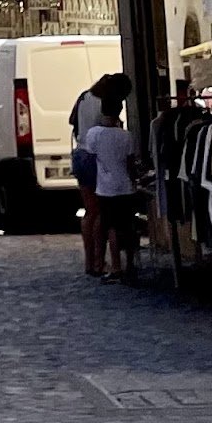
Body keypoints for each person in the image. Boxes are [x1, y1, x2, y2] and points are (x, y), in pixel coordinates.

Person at [80, 75, 142, 281]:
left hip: (105, 188)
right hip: (125, 186)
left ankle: (108, 264)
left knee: (109, 226)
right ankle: (130, 264)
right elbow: (130, 162)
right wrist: (135, 179)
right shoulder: (125, 136)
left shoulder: (94, 134)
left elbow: (90, 155)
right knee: (128, 226)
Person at [70, 72, 110, 278]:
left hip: (79, 154)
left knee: (89, 211)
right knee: (100, 212)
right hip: (94, 156)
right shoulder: (104, 102)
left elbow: (74, 123)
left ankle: (89, 261)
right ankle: (98, 262)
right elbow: (107, 127)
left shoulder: (84, 97)